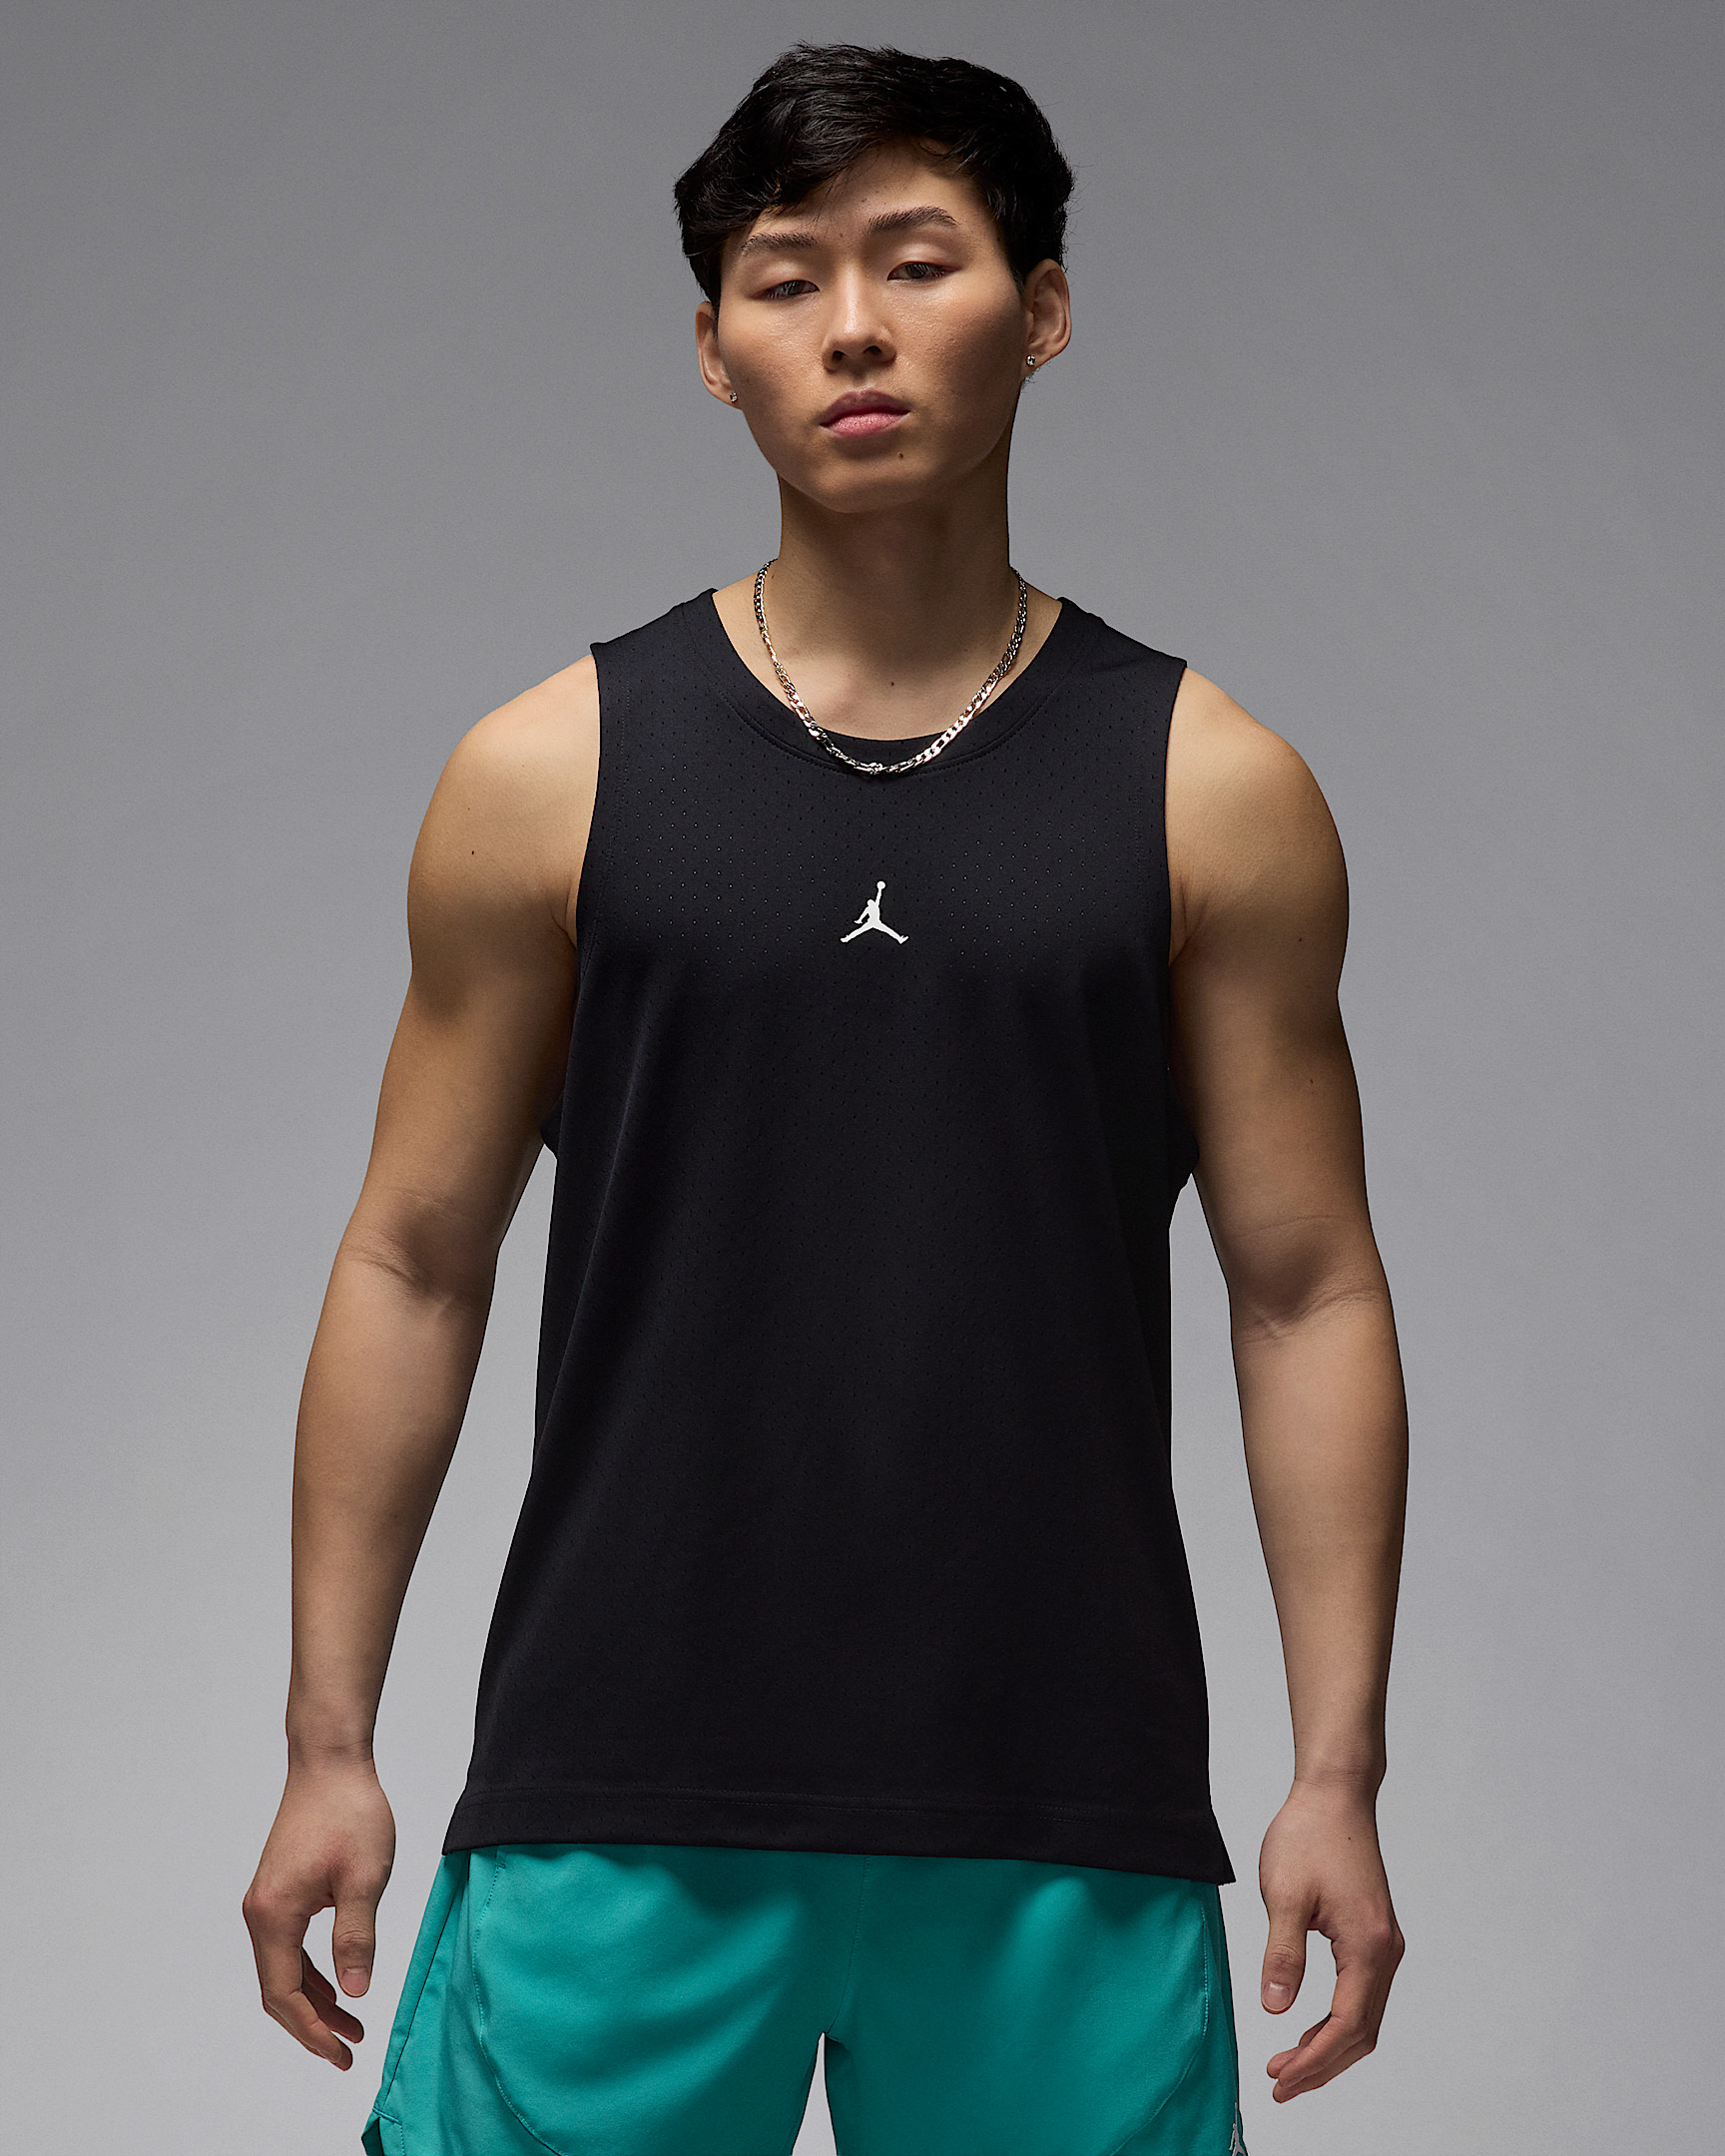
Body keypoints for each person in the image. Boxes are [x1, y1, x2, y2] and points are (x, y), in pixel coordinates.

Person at [243, 40, 1408, 2155]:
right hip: (618, 1791)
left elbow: (1305, 1284)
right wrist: (329, 1741)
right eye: (786, 280)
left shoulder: (1210, 787)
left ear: (1042, 308)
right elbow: (413, 1258)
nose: (852, 327)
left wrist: (1337, 1771)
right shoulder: (551, 770)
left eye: (917, 261)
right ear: (715, 350)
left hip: (1061, 1808)